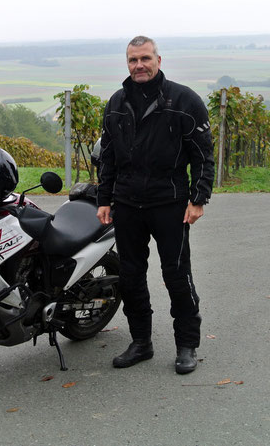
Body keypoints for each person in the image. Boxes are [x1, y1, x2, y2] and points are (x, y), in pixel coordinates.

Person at [96, 36, 214, 374]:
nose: (139, 66)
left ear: (158, 60)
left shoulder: (183, 100)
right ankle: (141, 343)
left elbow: (203, 156)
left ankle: (187, 345)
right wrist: (105, 198)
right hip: (128, 205)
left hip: (170, 204)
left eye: (145, 58)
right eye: (133, 60)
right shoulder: (117, 102)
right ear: (127, 63)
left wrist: (199, 198)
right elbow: (108, 158)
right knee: (130, 277)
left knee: (176, 276)